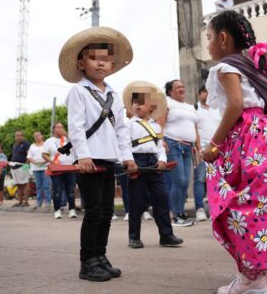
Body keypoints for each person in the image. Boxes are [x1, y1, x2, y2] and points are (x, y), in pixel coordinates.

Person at [202, 10, 267, 294]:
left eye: (209, 37)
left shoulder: (226, 67)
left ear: (223, 39)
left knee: (240, 201)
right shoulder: (255, 67)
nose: (209, 43)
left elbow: (235, 105)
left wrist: (214, 143)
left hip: (246, 138)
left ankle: (252, 278)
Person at [60, 26, 137, 282]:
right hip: (89, 160)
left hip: (109, 158)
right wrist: (83, 156)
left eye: (105, 59)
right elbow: (76, 127)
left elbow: (122, 130)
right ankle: (87, 262)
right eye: (94, 58)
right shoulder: (78, 91)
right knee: (93, 211)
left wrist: (128, 157)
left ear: (112, 65)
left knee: (106, 212)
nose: (100, 63)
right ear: (81, 63)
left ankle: (101, 257)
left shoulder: (114, 95)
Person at [122, 81, 184, 249]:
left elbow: (159, 146)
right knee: (136, 200)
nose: (137, 105)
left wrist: (162, 160)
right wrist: (129, 161)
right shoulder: (129, 124)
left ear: (151, 107)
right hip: (137, 162)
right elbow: (125, 144)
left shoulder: (156, 125)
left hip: (154, 163)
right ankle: (134, 237)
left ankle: (166, 235)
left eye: (141, 103)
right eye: (135, 103)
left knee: (161, 198)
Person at [162, 79, 200, 226]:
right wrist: (161, 141)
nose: (181, 89)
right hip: (173, 144)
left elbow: (195, 129)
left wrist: (199, 148)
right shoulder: (167, 103)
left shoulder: (190, 107)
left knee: (185, 183)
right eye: (177, 87)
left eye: (183, 86)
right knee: (179, 181)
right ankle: (175, 215)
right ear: (170, 91)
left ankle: (181, 214)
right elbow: (161, 123)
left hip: (188, 148)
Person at [194, 86, 221, 221]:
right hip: (201, 149)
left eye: (209, 91)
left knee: (217, 180)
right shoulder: (195, 109)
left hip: (217, 149)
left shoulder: (217, 109)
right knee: (200, 179)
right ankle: (199, 209)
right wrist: (198, 148)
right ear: (199, 94)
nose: (207, 94)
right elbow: (194, 130)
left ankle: (215, 208)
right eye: (204, 91)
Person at [42, 122, 78, 219]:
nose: (60, 129)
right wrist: (52, 163)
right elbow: (44, 154)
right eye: (58, 127)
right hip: (57, 169)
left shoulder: (68, 139)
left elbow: (78, 145)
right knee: (57, 191)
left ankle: (72, 210)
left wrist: (66, 135)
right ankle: (57, 211)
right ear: (53, 129)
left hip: (70, 167)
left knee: (70, 191)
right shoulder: (49, 141)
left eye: (62, 127)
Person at [27, 132, 50, 209]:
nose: (36, 137)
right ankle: (38, 203)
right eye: (35, 136)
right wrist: (35, 162)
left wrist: (44, 161)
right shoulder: (32, 146)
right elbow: (29, 157)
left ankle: (48, 202)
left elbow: (50, 155)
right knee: (38, 186)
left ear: (42, 136)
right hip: (36, 168)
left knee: (47, 186)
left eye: (38, 135)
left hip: (45, 168)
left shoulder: (46, 144)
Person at [10, 131, 31, 207]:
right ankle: (20, 202)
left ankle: (26, 202)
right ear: (15, 137)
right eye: (17, 135)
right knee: (18, 185)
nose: (18, 137)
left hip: (23, 166)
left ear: (23, 136)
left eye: (20, 135)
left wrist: (26, 165)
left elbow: (29, 155)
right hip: (14, 167)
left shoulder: (26, 144)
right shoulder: (15, 145)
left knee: (25, 184)